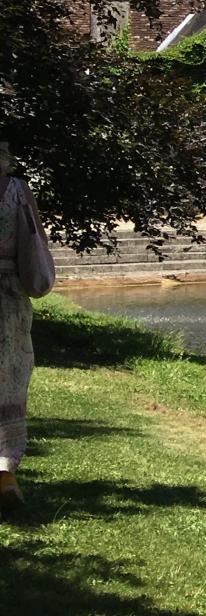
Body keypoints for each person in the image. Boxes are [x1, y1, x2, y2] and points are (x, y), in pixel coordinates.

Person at [0, 141, 55, 515]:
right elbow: (34, 245)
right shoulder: (17, 191)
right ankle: (4, 472)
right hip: (7, 300)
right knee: (8, 379)